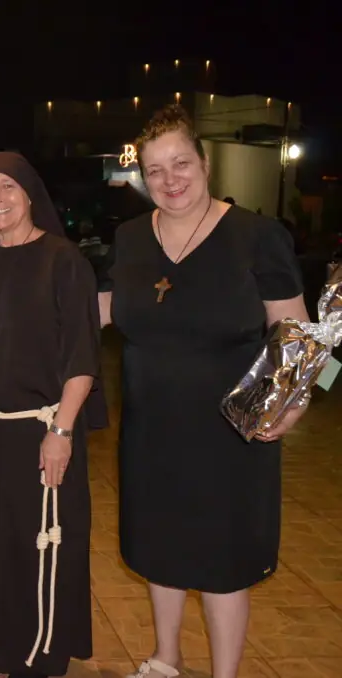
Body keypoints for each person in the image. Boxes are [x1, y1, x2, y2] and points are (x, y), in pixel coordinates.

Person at [98, 105, 309, 678]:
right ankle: (165, 658)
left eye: (180, 163)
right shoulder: (130, 238)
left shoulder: (257, 236)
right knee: (159, 549)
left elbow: (300, 336)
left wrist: (295, 403)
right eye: (155, 170)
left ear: (204, 162)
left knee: (222, 562)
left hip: (230, 435)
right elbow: (100, 310)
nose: (170, 180)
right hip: (151, 429)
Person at [0, 152, 102, 677]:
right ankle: (0, 633)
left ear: (30, 194)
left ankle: (41, 645)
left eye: (7, 187)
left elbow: (83, 355)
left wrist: (62, 430)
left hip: (40, 428)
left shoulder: (64, 261)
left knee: (37, 542)